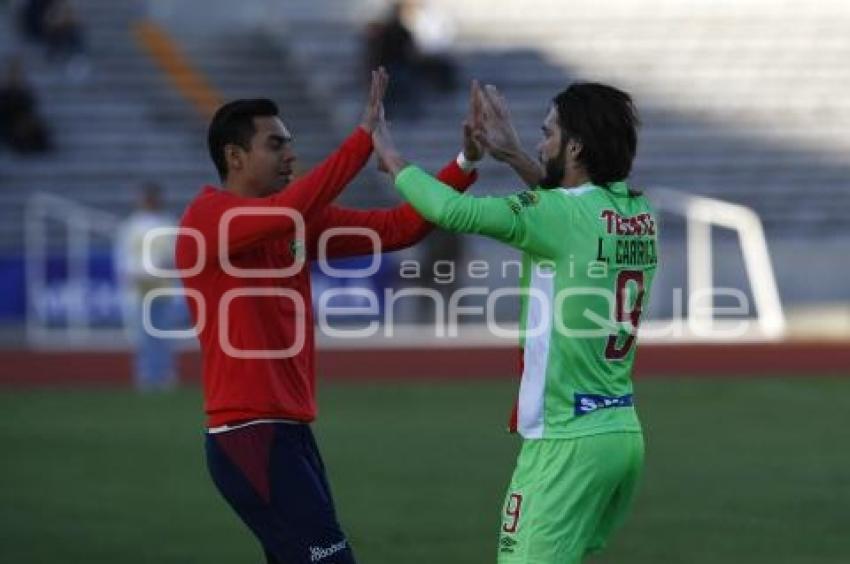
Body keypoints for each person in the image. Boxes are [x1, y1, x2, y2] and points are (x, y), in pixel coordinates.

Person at [174, 68, 482, 564]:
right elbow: (296, 206)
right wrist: (362, 140)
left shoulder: (292, 222)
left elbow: (401, 227)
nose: (290, 155)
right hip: (248, 434)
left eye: (289, 143)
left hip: (289, 434)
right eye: (275, 145)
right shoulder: (209, 218)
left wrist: (466, 161)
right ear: (234, 158)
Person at [372, 80, 658, 563]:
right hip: (619, 434)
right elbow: (566, 209)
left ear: (575, 146)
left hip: (565, 442)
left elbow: (450, 209)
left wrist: (393, 159)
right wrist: (512, 155)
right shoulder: (637, 211)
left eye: (547, 133)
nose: (540, 142)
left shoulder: (556, 215)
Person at [114, 183, 180, 392]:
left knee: (162, 331)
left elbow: (176, 254)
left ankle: (163, 374)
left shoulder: (168, 223)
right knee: (142, 334)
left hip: (162, 285)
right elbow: (122, 257)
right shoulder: (130, 226)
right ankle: (146, 374)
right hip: (138, 286)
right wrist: (127, 276)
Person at [0, 56, 51, 154]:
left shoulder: (26, 96)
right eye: (13, 73)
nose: (16, 76)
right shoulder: (4, 97)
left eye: (18, 73)